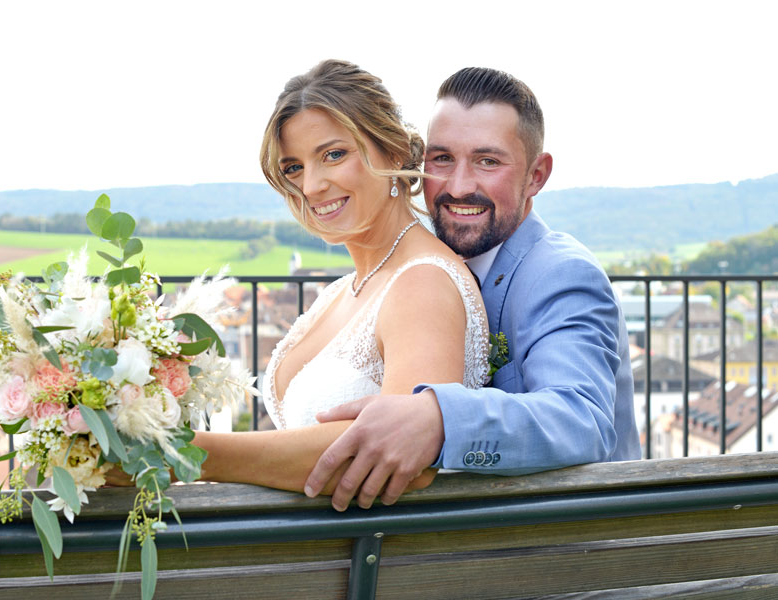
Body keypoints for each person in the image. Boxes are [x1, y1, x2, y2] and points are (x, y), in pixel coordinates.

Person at [105, 60, 489, 495]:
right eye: (294, 168)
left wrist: (184, 454)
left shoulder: (423, 283)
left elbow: (407, 456)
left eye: (333, 155)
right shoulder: (339, 293)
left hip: (370, 556)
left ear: (394, 150)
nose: (312, 186)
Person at [305, 67, 642, 511]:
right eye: (442, 159)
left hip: (561, 558)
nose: (459, 186)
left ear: (537, 175)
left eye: (488, 161)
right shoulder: (423, 268)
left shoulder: (561, 273)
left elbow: (582, 421)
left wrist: (440, 418)